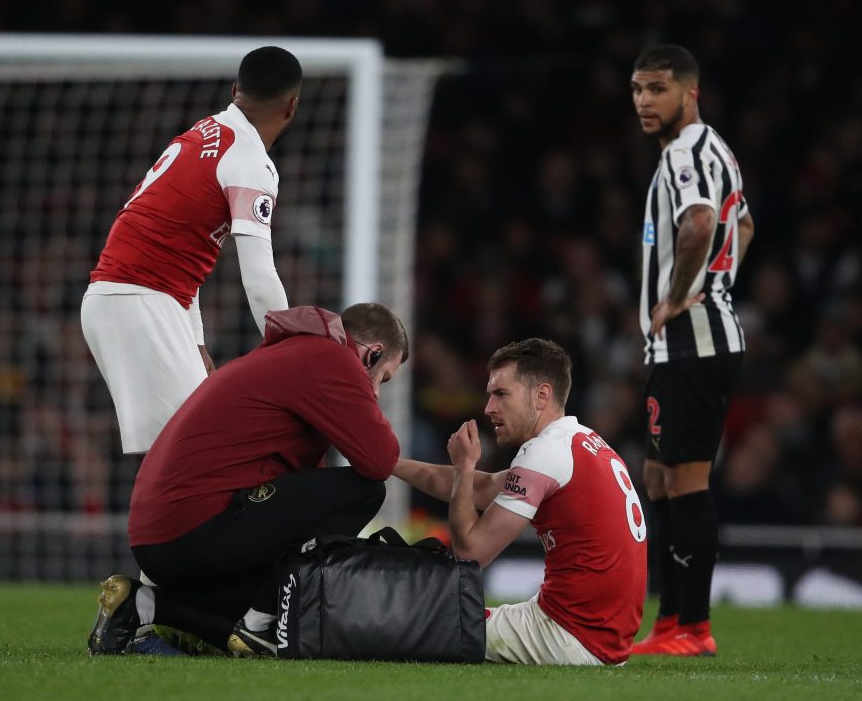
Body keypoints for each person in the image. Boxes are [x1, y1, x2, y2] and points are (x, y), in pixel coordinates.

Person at [87, 302, 409, 656]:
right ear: (373, 354)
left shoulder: (287, 355)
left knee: (295, 607)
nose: (377, 392)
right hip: (198, 527)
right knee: (365, 490)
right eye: (384, 378)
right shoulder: (330, 357)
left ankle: (143, 606)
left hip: (162, 540)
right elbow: (380, 461)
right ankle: (261, 623)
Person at [81, 46, 300, 458]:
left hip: (134, 301)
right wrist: (293, 353)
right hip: (140, 302)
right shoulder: (251, 161)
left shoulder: (206, 131)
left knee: (187, 455)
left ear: (236, 89)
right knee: (196, 456)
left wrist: (196, 343)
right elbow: (259, 278)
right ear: (292, 106)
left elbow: (180, 250)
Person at [395, 338, 646, 666]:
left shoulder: (543, 453)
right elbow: (480, 487)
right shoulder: (581, 442)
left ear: (541, 395)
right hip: (597, 635)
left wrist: (464, 467)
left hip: (568, 637)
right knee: (447, 616)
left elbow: (471, 554)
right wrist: (390, 464)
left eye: (501, 394)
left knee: (415, 621)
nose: (488, 408)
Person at [628, 44, 755, 656]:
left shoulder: (686, 153)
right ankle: (671, 622)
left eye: (657, 89)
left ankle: (693, 627)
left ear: (689, 92)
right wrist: (721, 283)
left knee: (684, 478)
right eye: (637, 90)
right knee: (658, 475)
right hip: (691, 340)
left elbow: (701, 222)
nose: (645, 101)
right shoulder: (718, 151)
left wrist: (681, 296)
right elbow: (745, 226)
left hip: (693, 340)